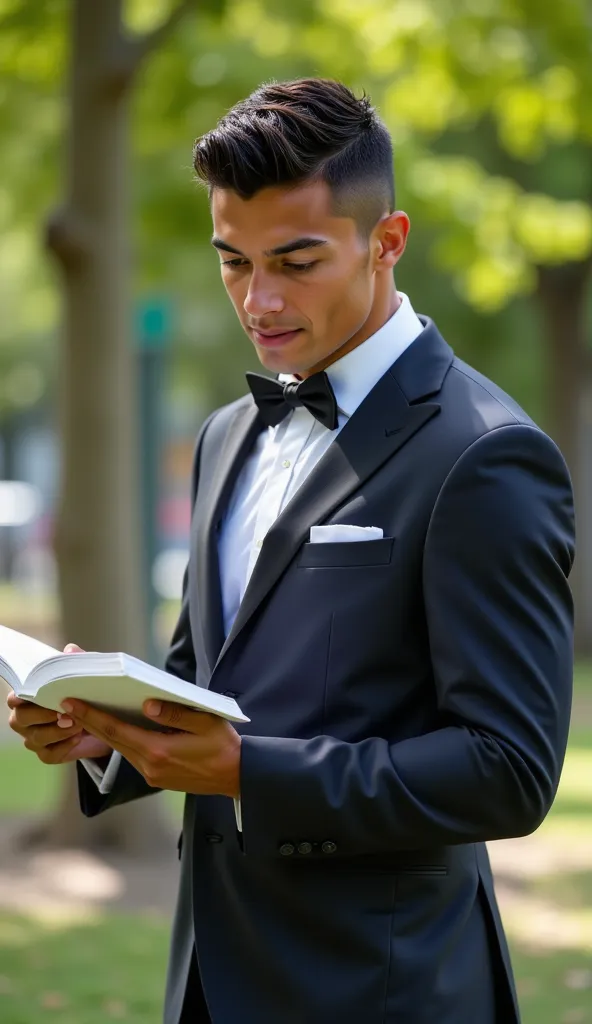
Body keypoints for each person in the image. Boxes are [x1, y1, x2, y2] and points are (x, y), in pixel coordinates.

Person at [7, 78, 574, 1024]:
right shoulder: (231, 433)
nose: (257, 300)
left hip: (385, 986)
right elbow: (207, 677)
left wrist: (246, 771)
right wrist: (103, 727)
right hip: (211, 971)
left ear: (386, 241)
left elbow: (507, 768)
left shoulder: (485, 454)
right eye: (233, 262)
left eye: (295, 262)